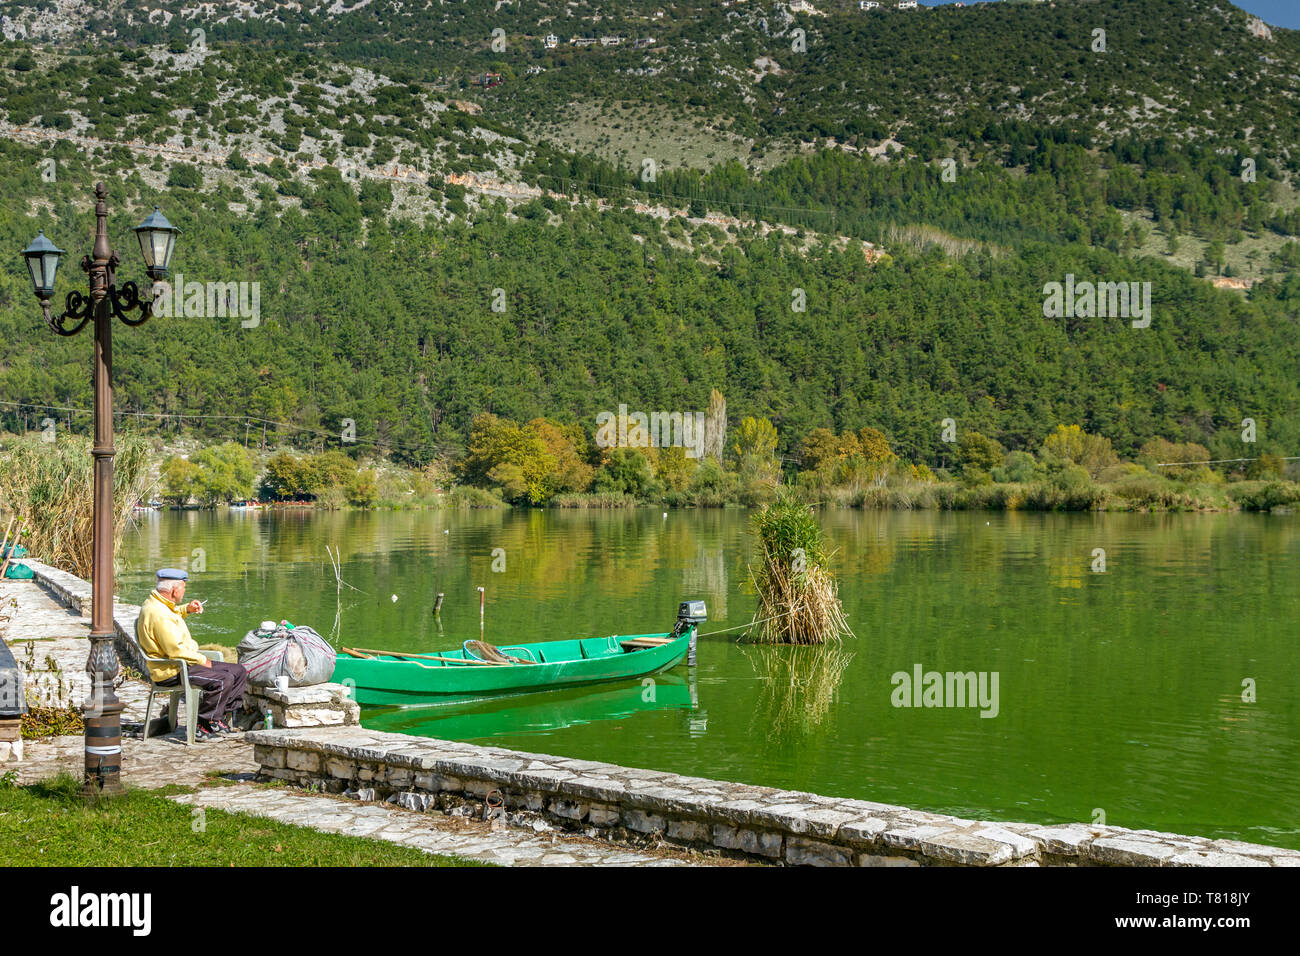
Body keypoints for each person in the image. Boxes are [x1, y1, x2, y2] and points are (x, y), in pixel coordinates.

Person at [135, 568, 247, 740]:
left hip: (184, 663)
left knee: (238, 671)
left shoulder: (160, 605)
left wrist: (186, 609)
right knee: (223, 680)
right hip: (172, 671)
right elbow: (175, 651)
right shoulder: (158, 614)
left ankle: (218, 718)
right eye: (183, 587)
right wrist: (203, 660)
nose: (185, 590)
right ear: (174, 590)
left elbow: (171, 615)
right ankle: (201, 725)